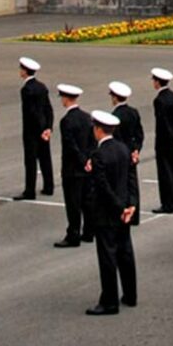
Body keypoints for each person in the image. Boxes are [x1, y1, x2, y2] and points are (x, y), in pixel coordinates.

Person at [85, 110, 137, 316]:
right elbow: (131, 179)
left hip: (107, 213)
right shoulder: (123, 149)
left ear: (98, 129)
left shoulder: (98, 154)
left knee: (108, 257)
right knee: (126, 254)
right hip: (124, 211)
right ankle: (130, 294)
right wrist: (130, 205)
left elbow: (103, 187)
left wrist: (119, 208)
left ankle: (110, 301)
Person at [55, 84, 95, 248]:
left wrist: (81, 160)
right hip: (87, 167)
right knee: (87, 201)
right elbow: (93, 142)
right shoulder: (87, 118)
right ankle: (88, 232)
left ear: (65, 98)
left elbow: (71, 146)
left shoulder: (66, 121)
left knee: (73, 203)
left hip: (73, 168)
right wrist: (89, 160)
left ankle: (73, 234)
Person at [15, 57, 54, 200]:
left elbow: (32, 113)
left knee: (30, 161)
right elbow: (48, 109)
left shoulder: (26, 90)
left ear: (25, 71)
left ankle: (29, 190)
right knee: (45, 158)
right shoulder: (42, 87)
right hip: (43, 129)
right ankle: (49, 186)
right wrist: (48, 128)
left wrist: (40, 130)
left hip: (32, 131)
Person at [151, 68, 173, 213]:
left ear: (157, 82)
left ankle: (168, 203)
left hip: (165, 143)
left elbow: (163, 124)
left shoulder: (159, 100)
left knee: (165, 173)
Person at [109, 81, 143, 227]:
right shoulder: (133, 112)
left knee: (121, 185)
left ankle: (123, 212)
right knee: (133, 185)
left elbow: (117, 138)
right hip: (131, 153)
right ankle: (135, 214)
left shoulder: (115, 116)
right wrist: (136, 150)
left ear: (115, 97)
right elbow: (139, 134)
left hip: (121, 155)